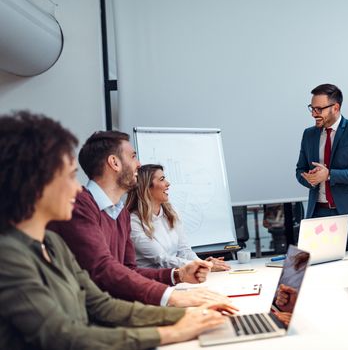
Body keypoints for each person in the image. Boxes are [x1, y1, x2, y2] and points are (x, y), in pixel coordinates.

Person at [0, 111, 237, 349]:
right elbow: (63, 334)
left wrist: (184, 313)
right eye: (70, 177)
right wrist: (171, 327)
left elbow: (102, 301)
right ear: (36, 182)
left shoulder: (53, 242)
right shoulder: (9, 256)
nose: (76, 188)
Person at [49, 131, 228, 308]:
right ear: (114, 163)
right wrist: (170, 296)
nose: (139, 164)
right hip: (94, 317)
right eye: (133, 156)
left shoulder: (121, 214)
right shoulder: (80, 205)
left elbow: (130, 270)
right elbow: (103, 269)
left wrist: (177, 275)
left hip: (117, 309)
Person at [296, 83, 348, 250]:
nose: (314, 114)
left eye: (319, 109)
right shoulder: (309, 135)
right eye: (312, 108)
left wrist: (329, 175)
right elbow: (300, 170)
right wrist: (310, 178)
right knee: (319, 270)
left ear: (335, 107)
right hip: (318, 213)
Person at [126, 164, 231, 271]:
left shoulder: (171, 213)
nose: (168, 183)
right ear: (147, 187)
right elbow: (162, 258)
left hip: (175, 275)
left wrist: (200, 263)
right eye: (162, 179)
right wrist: (202, 265)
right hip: (150, 280)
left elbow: (184, 250)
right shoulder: (133, 222)